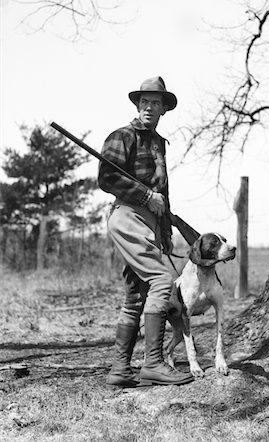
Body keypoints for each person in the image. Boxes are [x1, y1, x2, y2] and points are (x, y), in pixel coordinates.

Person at [98, 76, 193, 387]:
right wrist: (145, 197)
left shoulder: (158, 143)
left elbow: (161, 197)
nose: (149, 107)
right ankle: (153, 363)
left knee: (137, 294)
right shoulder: (123, 136)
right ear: (138, 106)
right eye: (145, 102)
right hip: (128, 215)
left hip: (150, 224)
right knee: (163, 280)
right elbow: (107, 177)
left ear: (164, 108)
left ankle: (120, 370)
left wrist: (164, 231)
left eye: (156, 103)